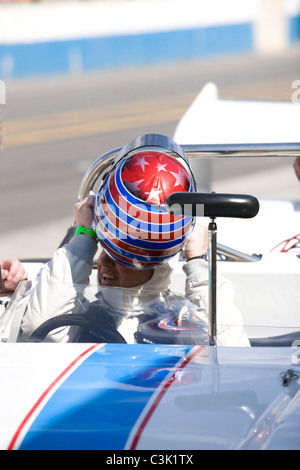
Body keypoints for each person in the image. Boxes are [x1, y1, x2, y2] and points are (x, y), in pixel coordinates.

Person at [20, 135, 249, 346]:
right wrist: (85, 236)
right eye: (104, 249)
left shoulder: (184, 320)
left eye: (125, 255)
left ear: (158, 261)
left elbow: (232, 352)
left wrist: (198, 264)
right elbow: (39, 329)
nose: (105, 263)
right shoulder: (76, 315)